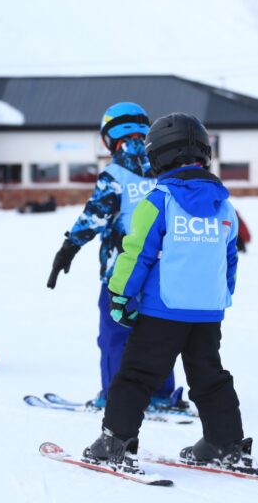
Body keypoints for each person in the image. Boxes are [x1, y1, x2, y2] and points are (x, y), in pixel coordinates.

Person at [83, 112, 256, 475]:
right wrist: (221, 296)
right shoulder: (223, 205)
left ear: (158, 156)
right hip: (207, 313)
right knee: (209, 376)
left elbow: (136, 254)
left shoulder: (158, 200)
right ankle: (225, 443)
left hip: (163, 310)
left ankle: (115, 442)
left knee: (135, 376)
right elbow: (229, 259)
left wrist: (119, 295)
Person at [46, 102, 182, 410]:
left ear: (110, 136)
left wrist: (68, 248)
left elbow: (94, 216)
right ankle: (160, 394)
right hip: (162, 270)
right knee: (157, 334)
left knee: (115, 334)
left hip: (120, 271)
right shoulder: (167, 171)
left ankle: (115, 395)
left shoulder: (115, 172)